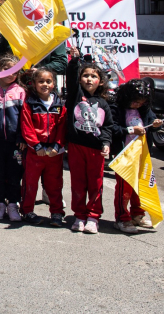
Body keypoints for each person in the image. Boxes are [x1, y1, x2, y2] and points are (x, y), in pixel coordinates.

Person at [65, 48, 113, 234]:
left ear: (100, 81)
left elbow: (107, 126)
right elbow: (70, 76)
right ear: (80, 79)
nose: (89, 79)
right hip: (77, 147)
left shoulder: (103, 103)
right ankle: (79, 215)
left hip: (96, 150)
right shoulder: (75, 96)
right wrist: (75, 60)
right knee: (78, 182)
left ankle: (93, 216)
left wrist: (106, 143)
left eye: (93, 76)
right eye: (85, 76)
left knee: (96, 183)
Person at [110, 79, 162, 233]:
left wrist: (156, 124)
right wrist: (131, 130)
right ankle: (122, 218)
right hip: (124, 155)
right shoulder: (117, 108)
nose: (138, 105)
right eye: (135, 102)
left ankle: (137, 215)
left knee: (141, 186)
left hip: (141, 154)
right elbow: (112, 128)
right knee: (124, 189)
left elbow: (150, 122)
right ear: (127, 97)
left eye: (141, 102)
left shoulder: (145, 109)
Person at [18, 67, 67, 227]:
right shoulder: (29, 103)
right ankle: (27, 211)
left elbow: (62, 127)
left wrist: (57, 145)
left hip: (54, 153)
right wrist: (36, 145)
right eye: (41, 81)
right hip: (35, 152)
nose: (44, 84)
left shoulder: (59, 104)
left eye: (48, 81)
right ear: (34, 84)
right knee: (30, 183)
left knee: (54, 184)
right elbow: (26, 126)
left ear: (54, 84)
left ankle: (57, 213)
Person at [0, 55, 26, 222]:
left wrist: (22, 137)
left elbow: (25, 118)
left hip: (15, 142)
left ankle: (13, 204)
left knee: (15, 173)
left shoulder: (20, 91)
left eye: (14, 70)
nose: (10, 73)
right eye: (6, 69)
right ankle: (0, 203)